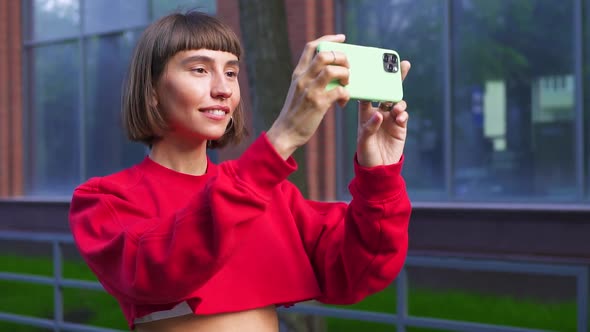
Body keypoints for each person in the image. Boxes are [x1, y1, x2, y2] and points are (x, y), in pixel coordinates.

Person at [69, 10, 412, 332]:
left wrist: (378, 175)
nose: (223, 88)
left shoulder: (270, 194)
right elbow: (159, 268)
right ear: (153, 90)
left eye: (231, 72)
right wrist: (282, 139)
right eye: (199, 69)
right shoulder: (104, 200)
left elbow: (360, 270)